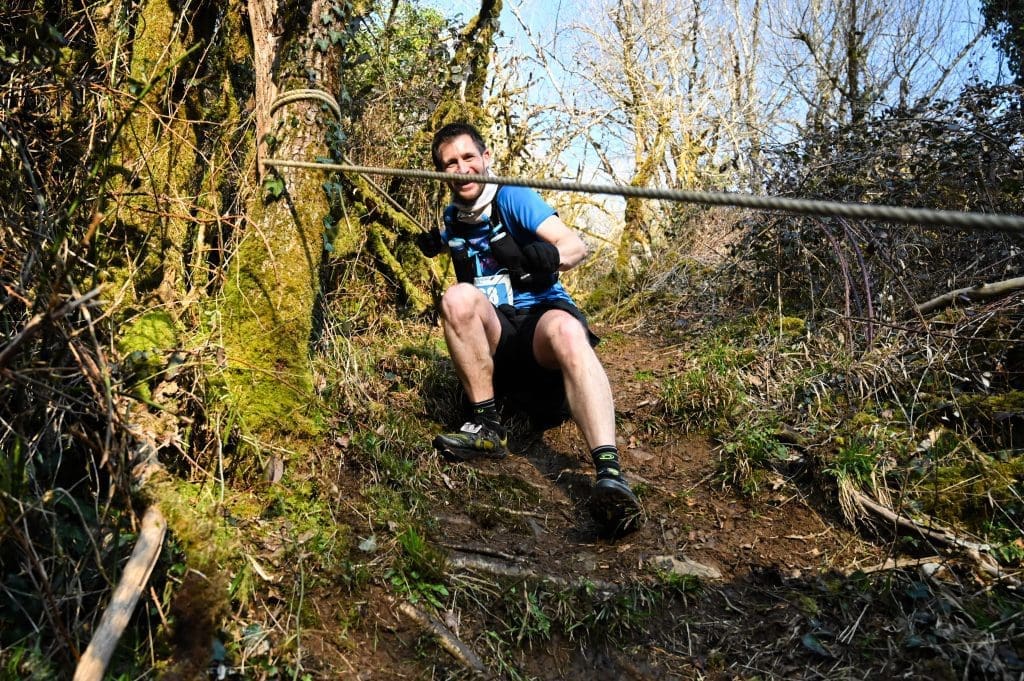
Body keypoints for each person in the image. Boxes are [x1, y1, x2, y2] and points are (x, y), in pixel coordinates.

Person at [416, 121, 642, 536]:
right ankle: (486, 425)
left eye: (468, 157)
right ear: (439, 172)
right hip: (501, 346)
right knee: (455, 298)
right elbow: (460, 241)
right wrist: (439, 241)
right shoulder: (454, 214)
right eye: (449, 163)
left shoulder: (513, 197)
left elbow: (576, 246)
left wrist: (550, 256)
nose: (461, 168)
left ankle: (609, 472)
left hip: (540, 333)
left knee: (568, 331)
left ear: (486, 159)